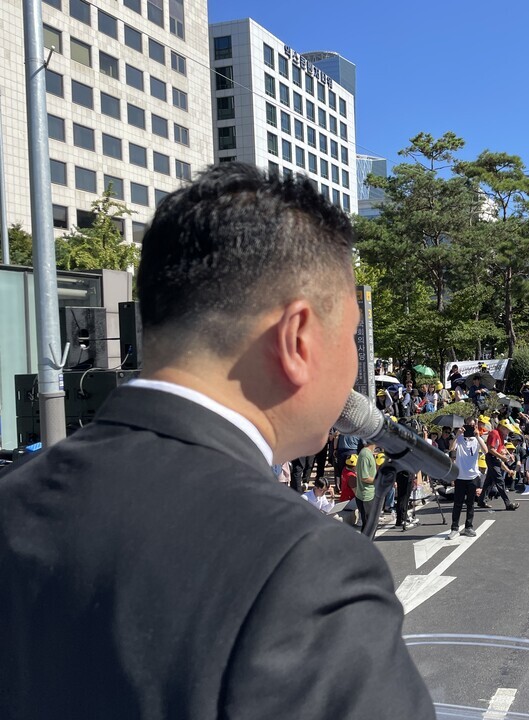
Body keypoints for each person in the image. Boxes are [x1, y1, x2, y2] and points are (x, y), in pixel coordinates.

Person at [0, 164, 434, 718]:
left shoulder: (13, 495)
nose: (353, 362)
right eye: (350, 335)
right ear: (298, 338)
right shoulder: (305, 566)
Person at [450, 419, 487, 539]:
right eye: (469, 425)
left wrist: (478, 436)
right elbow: (451, 448)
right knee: (458, 503)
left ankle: (468, 527)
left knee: (470, 504)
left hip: (472, 476)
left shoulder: (477, 440)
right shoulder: (460, 439)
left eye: (473, 425)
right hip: (460, 476)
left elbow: (486, 450)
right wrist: (457, 434)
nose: (471, 427)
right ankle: (454, 528)